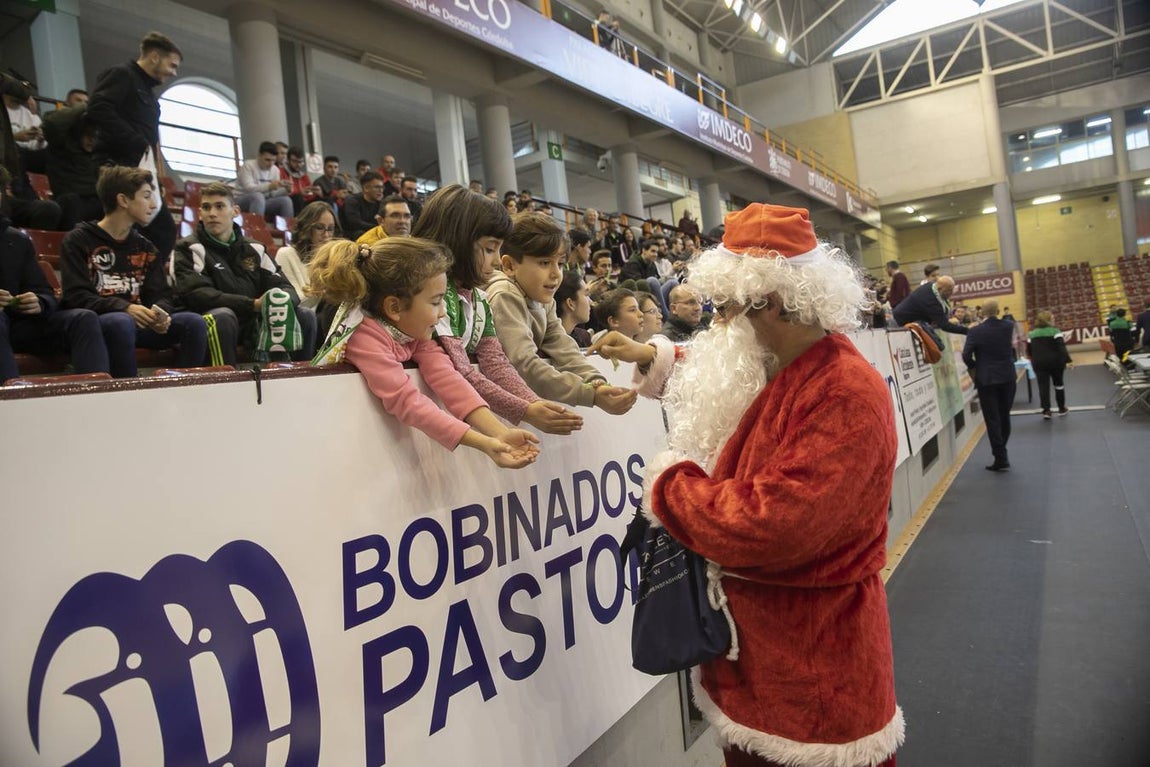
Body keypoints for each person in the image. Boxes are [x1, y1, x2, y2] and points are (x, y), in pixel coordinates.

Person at [589, 202, 902, 767]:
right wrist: (654, 355)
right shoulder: (788, 359)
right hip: (764, 662)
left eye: (728, 307)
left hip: (812, 675)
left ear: (773, 302)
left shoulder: (844, 392)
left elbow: (774, 524)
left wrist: (669, 486)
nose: (717, 323)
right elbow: (725, 370)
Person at [308, 238, 540, 468]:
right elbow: (408, 402)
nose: (443, 313)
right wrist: (484, 443)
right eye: (436, 302)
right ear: (394, 307)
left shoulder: (412, 330)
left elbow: (448, 379)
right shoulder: (363, 337)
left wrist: (500, 433)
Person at [411, 184, 601, 433]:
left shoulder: (478, 299)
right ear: (457, 242)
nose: (496, 260)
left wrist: (532, 404)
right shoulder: (433, 297)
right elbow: (462, 372)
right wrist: (524, 410)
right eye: (490, 249)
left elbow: (496, 363)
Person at [59, 166, 207, 377]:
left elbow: (161, 294)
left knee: (194, 323)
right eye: (146, 196)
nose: (153, 205)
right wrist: (125, 308)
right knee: (121, 322)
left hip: (136, 322)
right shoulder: (79, 240)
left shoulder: (145, 246)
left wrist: (159, 314)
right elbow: (76, 296)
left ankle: (183, 389)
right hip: (99, 324)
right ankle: (129, 390)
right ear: (123, 200)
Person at [486, 211, 631, 415]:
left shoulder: (542, 298)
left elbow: (564, 347)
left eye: (560, 264)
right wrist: (588, 394)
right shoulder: (505, 295)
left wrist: (598, 383)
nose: (556, 274)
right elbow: (524, 365)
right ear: (509, 265)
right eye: (544, 263)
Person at [173, 182, 316, 364]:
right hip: (211, 320)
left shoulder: (255, 248)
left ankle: (301, 377)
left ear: (235, 211)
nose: (212, 213)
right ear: (200, 213)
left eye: (219, 206)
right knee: (223, 317)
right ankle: (226, 379)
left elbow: (285, 287)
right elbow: (197, 295)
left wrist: (278, 300)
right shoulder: (188, 248)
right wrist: (252, 305)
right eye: (207, 208)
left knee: (305, 315)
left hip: (252, 322)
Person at [0, 170, 107, 382]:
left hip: (18, 325)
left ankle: (96, 394)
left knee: (83, 319)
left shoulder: (16, 240)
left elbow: (43, 291)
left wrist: (38, 301)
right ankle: (11, 398)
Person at [86, 31, 182, 258]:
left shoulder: (148, 92)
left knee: (161, 231)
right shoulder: (122, 75)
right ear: (155, 56)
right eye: (172, 65)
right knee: (149, 228)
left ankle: (144, 275)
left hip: (140, 169)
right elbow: (98, 108)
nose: (174, 72)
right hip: (117, 166)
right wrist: (135, 141)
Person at [962, 299, 1016, 471]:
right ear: (998, 310)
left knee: (992, 419)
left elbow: (966, 355)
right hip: (1007, 376)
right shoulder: (1008, 326)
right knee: (1004, 415)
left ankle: (1000, 456)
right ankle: (1002, 450)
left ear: (982, 313)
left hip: (986, 378)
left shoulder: (975, 331)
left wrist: (974, 367)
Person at [276, 201, 337, 307]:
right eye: (319, 227)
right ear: (306, 228)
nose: (326, 235)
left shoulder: (334, 260)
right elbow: (294, 304)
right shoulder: (286, 254)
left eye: (330, 229)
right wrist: (320, 291)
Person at [1027, 310, 1072, 419]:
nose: (1054, 319)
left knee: (1043, 387)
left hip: (1039, 364)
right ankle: (1061, 408)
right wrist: (1068, 361)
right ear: (1047, 320)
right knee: (1059, 385)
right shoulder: (1056, 331)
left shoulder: (1031, 334)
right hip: (1056, 363)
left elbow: (1029, 351)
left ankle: (1046, 411)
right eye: (1052, 318)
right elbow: (1062, 348)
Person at [891, 275, 968, 339]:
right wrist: (968, 331)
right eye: (949, 290)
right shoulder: (931, 300)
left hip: (908, 322)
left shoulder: (932, 286)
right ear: (940, 289)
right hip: (899, 324)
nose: (951, 293)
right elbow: (944, 326)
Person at [236, 140, 294, 222]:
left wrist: (286, 190)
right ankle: (256, 227)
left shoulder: (275, 170)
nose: (270, 164)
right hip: (241, 199)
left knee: (286, 201)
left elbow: (272, 194)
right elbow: (249, 188)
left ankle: (287, 228)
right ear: (259, 156)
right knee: (258, 197)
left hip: (263, 201)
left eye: (273, 160)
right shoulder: (248, 165)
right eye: (267, 160)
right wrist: (269, 186)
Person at [340, 171, 385, 240]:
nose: (381, 190)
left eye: (382, 187)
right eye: (377, 187)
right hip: (352, 236)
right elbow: (355, 224)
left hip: (372, 233)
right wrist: (379, 227)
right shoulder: (352, 201)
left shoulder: (381, 203)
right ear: (366, 188)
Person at [555, 269, 592, 347]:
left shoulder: (584, 337)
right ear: (570, 303)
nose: (590, 302)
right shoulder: (545, 343)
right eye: (586, 295)